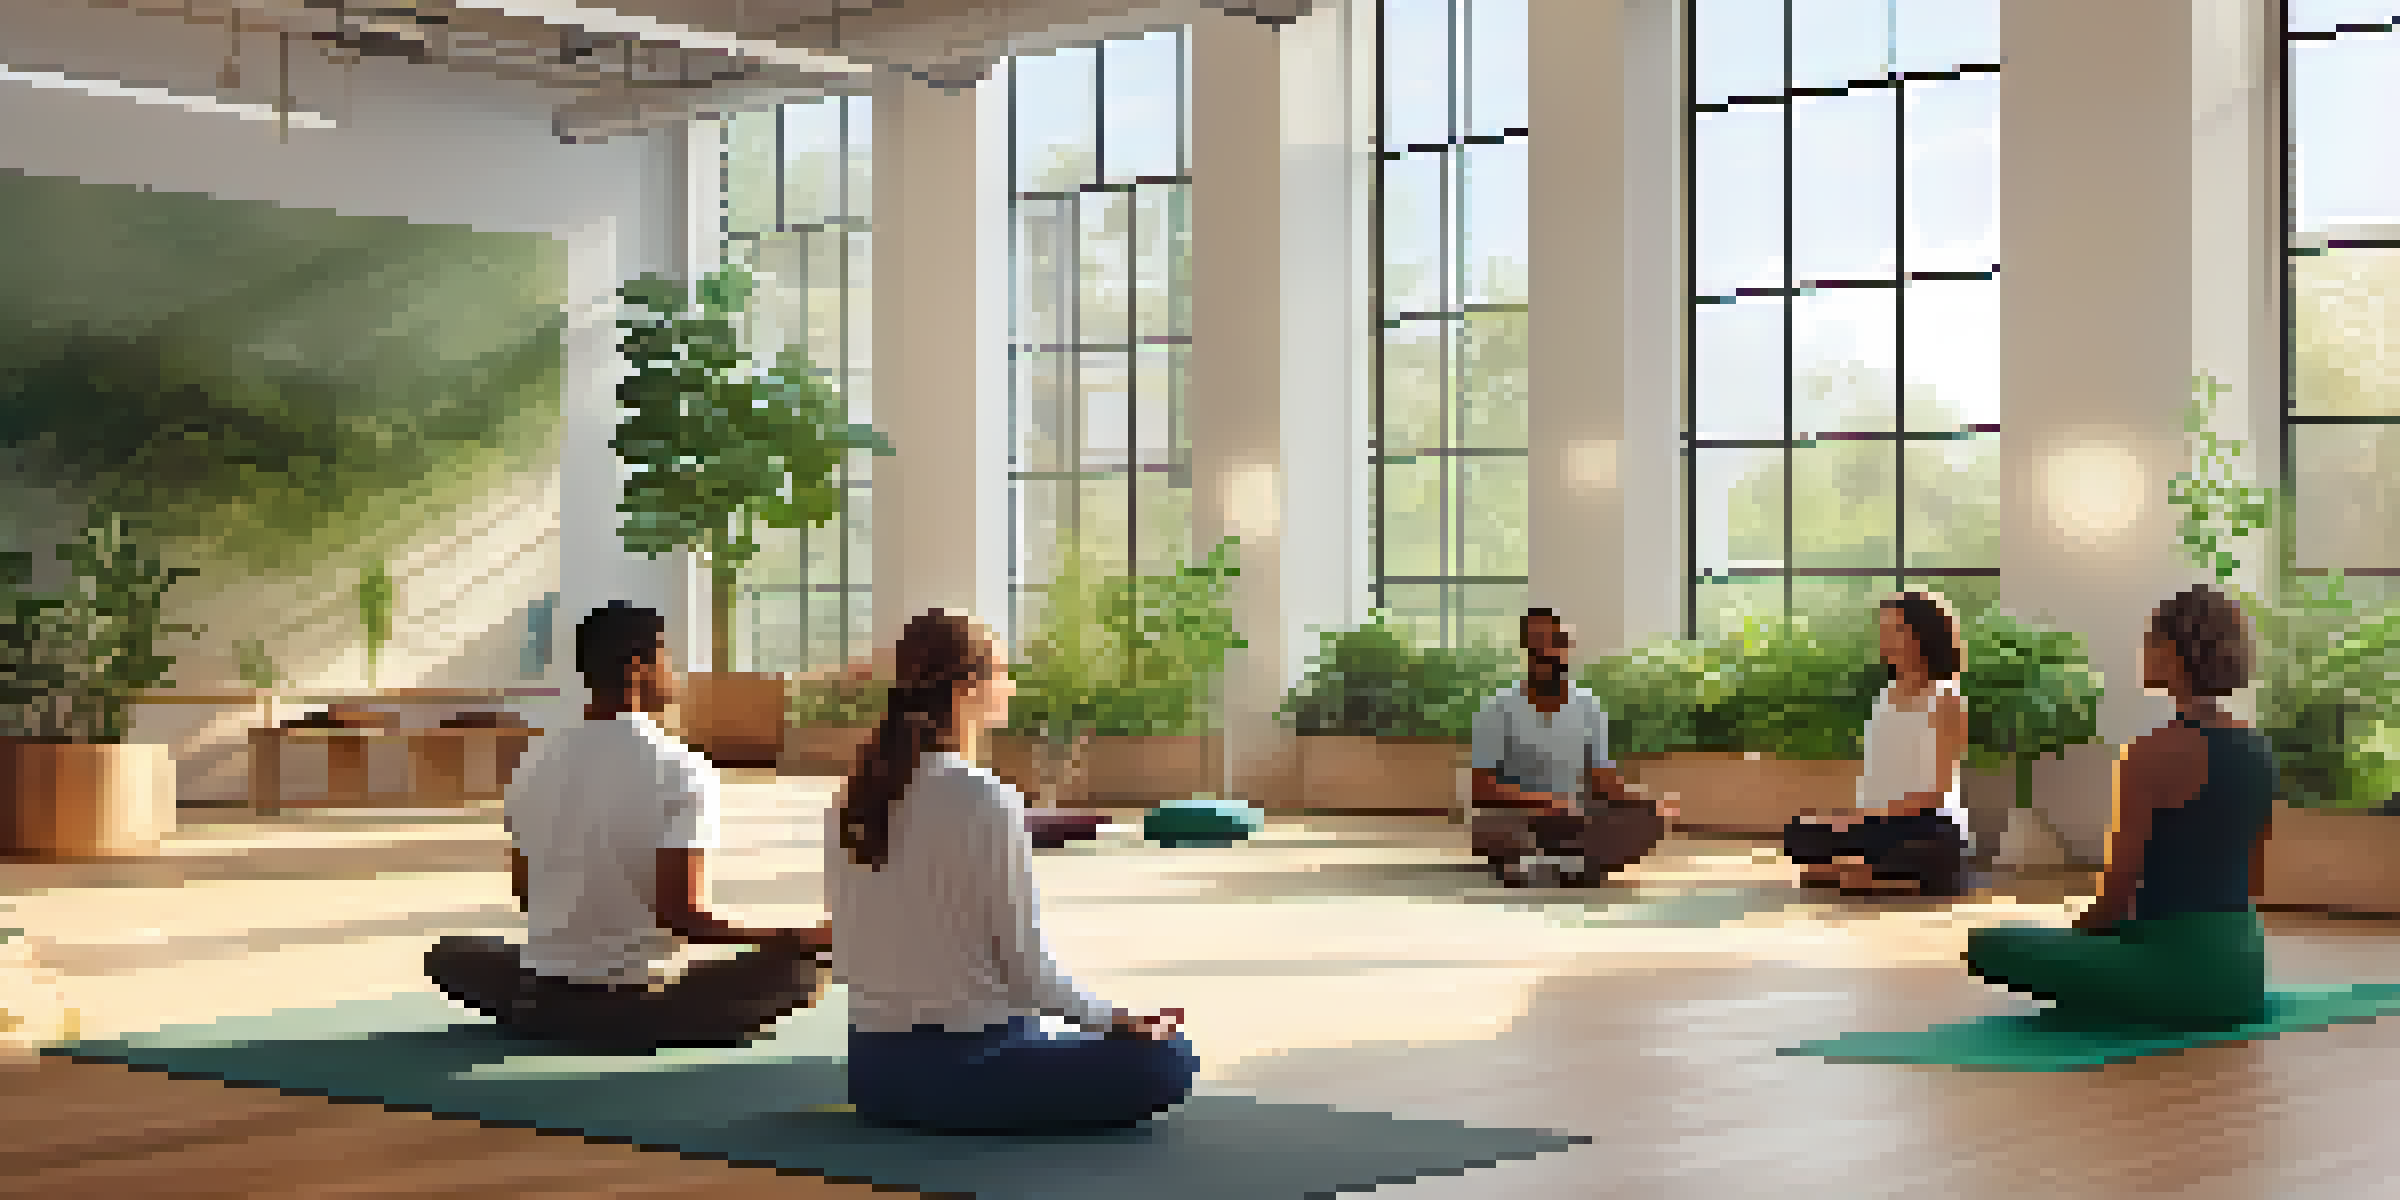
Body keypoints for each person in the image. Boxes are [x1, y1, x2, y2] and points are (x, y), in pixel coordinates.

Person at [828, 609, 1197, 1134]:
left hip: (873, 1076)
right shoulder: (984, 797)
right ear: (966, 687)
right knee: (1170, 1058)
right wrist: (1113, 1019)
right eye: (1002, 671)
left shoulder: (851, 795)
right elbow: (1027, 968)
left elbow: (845, 946)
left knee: (1076, 1041)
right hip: (967, 1070)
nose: (1011, 685)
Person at [425, 602, 830, 1050]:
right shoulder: (681, 767)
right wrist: (793, 935)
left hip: (541, 995)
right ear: (640, 667)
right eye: (667, 658)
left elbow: (527, 895)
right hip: (640, 1003)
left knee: (449, 955)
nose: (673, 671)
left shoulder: (533, 760)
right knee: (801, 970)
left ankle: (548, 1013)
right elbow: (685, 919)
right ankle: (642, 1025)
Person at [1964, 586, 2276, 1029]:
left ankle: (2129, 993)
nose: (2142, 651)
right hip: (2245, 972)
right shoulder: (2259, 748)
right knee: (2114, 946)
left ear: (2170, 651)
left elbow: (2116, 895)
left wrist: (2076, 948)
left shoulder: (2150, 752)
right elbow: (2254, 878)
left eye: (2149, 640)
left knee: (1991, 945)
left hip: (2183, 977)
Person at [1782, 591, 1974, 898]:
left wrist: (1864, 818)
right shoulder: (1886, 694)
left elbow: (1937, 793)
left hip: (1928, 823)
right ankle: (1867, 869)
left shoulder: (1946, 699)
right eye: (1883, 630)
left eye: (1895, 630)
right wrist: (1849, 817)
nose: (1886, 640)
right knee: (1801, 830)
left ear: (1923, 635)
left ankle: (1880, 873)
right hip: (1880, 821)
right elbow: (1877, 776)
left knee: (1929, 840)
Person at [1469, 608, 1674, 888]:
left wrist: (1647, 802)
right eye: (1539, 641)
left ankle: (1560, 861)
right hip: (1519, 815)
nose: (1548, 650)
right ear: (1527, 648)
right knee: (1491, 828)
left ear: (1566, 648)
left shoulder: (1588, 705)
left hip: (1576, 816)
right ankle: (1560, 861)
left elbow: (1604, 779)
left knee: (1648, 819)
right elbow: (1481, 788)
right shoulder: (1498, 708)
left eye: (1556, 641)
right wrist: (1542, 801)